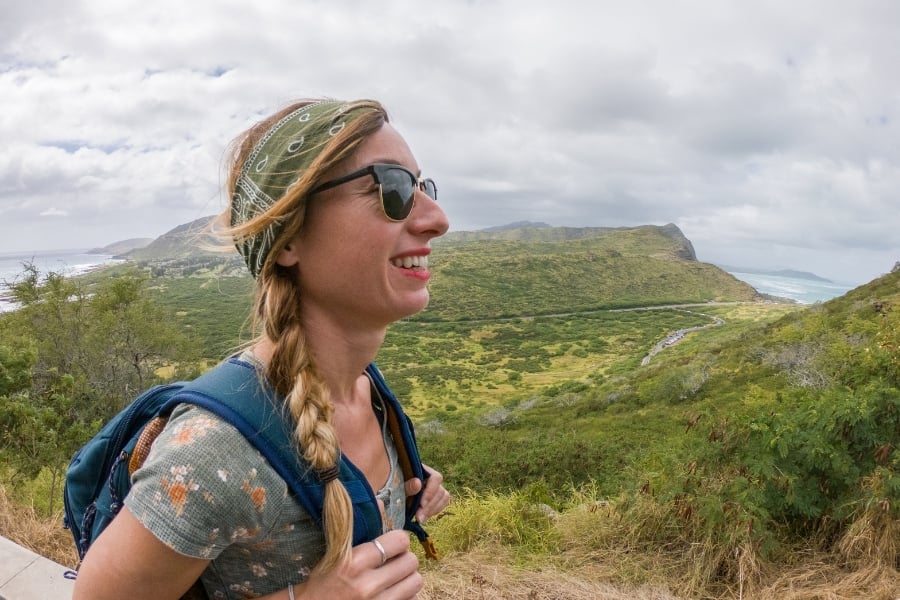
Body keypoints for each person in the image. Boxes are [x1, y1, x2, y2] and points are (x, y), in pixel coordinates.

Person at [73, 98, 452, 600]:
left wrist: (395, 492)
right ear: (289, 236)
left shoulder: (363, 387)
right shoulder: (213, 453)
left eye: (422, 186)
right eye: (392, 189)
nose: (437, 219)